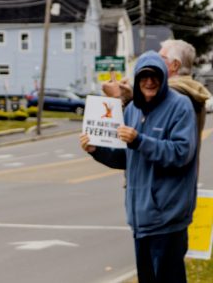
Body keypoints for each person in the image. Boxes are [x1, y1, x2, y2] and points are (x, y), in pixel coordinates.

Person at [81, 52, 198, 283]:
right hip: (140, 219)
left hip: (167, 218)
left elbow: (181, 153)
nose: (149, 81)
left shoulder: (180, 106)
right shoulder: (132, 110)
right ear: (137, 80)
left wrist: (140, 140)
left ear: (164, 78)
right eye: (144, 76)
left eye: (155, 76)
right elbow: (127, 158)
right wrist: (96, 150)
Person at [103, 38, 210, 142]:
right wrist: (131, 96)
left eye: (161, 58)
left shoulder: (175, 97)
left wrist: (119, 97)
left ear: (175, 65)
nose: (155, 60)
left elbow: (140, 133)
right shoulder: (191, 90)